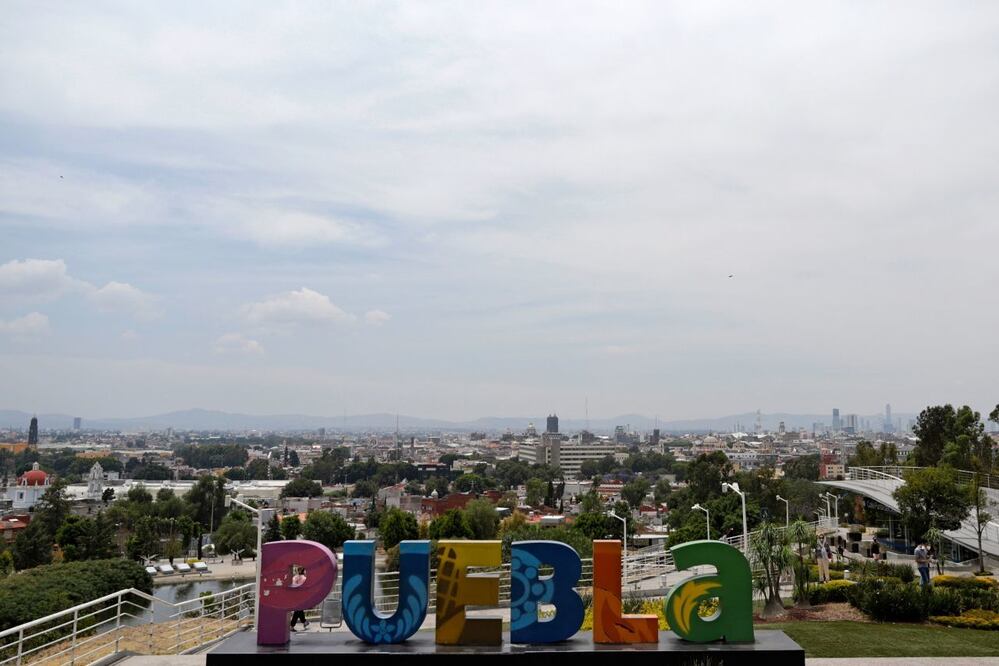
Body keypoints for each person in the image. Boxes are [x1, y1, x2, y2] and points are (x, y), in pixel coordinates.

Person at [289, 567, 310, 631]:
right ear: (304, 571)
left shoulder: (294, 578)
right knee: (298, 610)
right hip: (301, 596)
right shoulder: (304, 578)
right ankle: (292, 626)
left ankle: (304, 622)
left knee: (299, 610)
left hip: (294, 596)